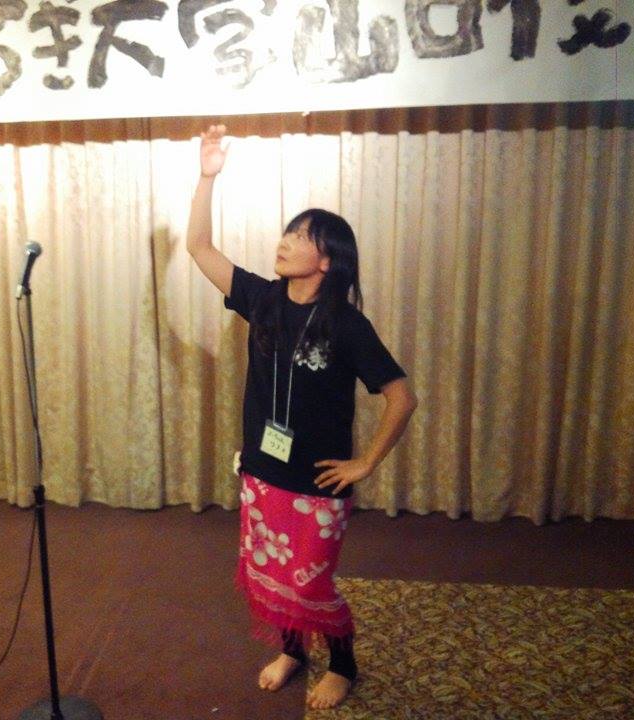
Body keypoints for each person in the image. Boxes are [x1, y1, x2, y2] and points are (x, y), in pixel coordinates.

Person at [186, 125, 418, 710]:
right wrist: (207, 177)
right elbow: (199, 248)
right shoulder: (262, 299)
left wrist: (366, 463)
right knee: (270, 570)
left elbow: (401, 397)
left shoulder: (347, 325)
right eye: (287, 232)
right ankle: (293, 649)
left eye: (299, 236)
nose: (284, 241)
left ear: (327, 259)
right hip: (262, 470)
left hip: (317, 482)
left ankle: (343, 664)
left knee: (310, 581)